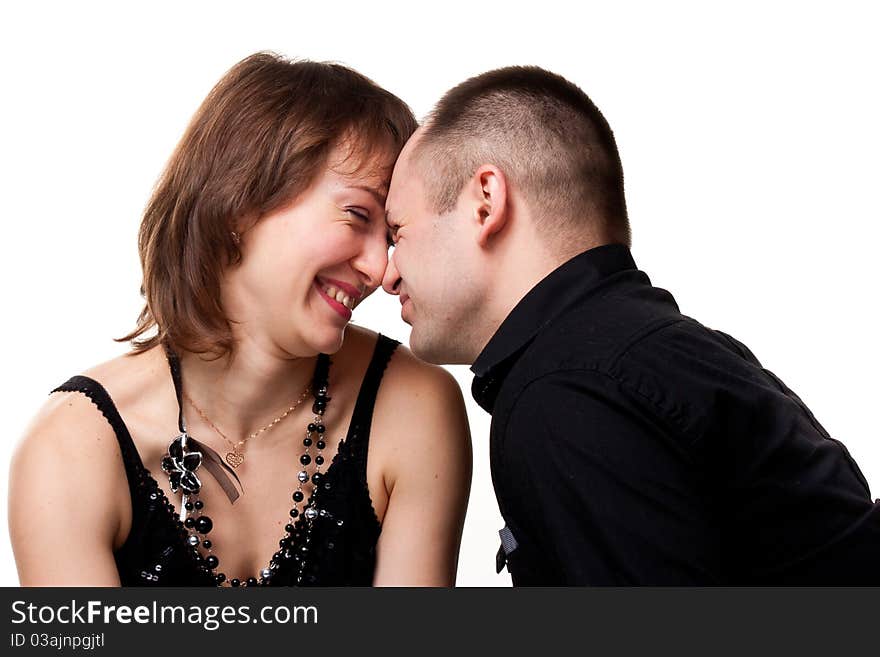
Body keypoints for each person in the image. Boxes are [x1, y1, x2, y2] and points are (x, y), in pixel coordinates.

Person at [382, 65, 880, 585]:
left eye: (399, 231)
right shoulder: (670, 352)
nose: (388, 273)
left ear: (486, 202)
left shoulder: (567, 393)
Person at [8, 52, 471, 587]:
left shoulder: (411, 406)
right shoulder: (73, 447)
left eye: (390, 235)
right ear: (239, 202)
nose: (377, 267)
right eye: (357, 215)